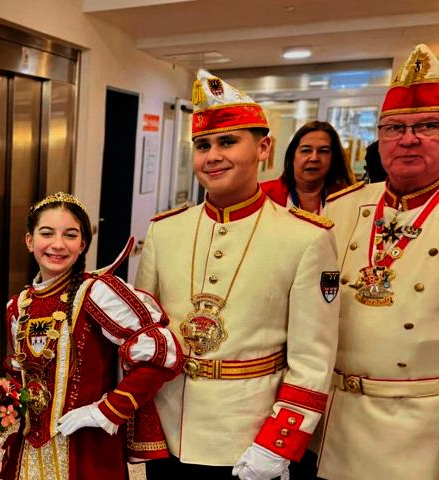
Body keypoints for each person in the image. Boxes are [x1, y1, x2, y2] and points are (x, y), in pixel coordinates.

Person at [136, 69, 339, 480]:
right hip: (169, 435)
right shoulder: (164, 230)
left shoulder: (307, 238)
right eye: (202, 145)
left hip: (248, 439)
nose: (212, 156)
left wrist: (277, 444)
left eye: (227, 141)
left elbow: (313, 361)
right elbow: (144, 338)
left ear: (264, 147)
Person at [0, 192, 183, 480]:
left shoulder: (98, 292)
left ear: (82, 245)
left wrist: (106, 411)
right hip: (30, 451)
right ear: (30, 240)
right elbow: (26, 372)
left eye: (70, 235)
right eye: (47, 233)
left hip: (88, 448)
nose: (58, 244)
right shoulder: (18, 304)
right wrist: (4, 407)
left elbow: (162, 354)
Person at [317, 43, 439, 480]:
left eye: (428, 125)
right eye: (393, 128)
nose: (408, 139)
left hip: (420, 425)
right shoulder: (339, 208)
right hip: (334, 417)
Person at [261, 121, 356, 213]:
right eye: (306, 150)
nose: (314, 158)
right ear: (292, 156)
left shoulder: (347, 197)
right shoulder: (262, 195)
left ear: (333, 158)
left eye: (323, 151)